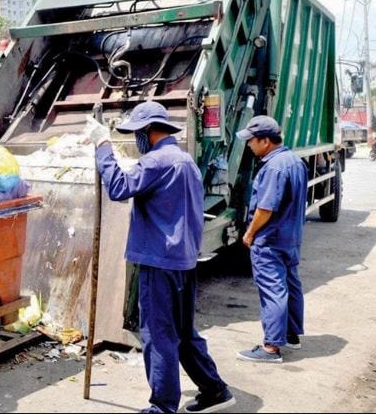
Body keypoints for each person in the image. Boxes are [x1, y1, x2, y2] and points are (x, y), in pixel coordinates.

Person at [87, 102, 235, 413]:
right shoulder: (185, 161)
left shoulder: (156, 162)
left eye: (138, 133)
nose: (137, 140)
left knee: (158, 335)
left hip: (159, 261)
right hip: (184, 260)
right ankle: (214, 389)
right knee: (183, 333)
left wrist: (103, 146)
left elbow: (117, 186)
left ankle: (163, 406)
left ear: (150, 132)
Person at [235, 116, 307, 363]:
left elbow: (266, 208)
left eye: (251, 141)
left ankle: (270, 348)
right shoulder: (294, 161)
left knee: (273, 290)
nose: (249, 145)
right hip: (290, 237)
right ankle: (291, 336)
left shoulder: (273, 167)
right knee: (291, 285)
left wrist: (250, 233)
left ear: (265, 141)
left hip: (270, 239)